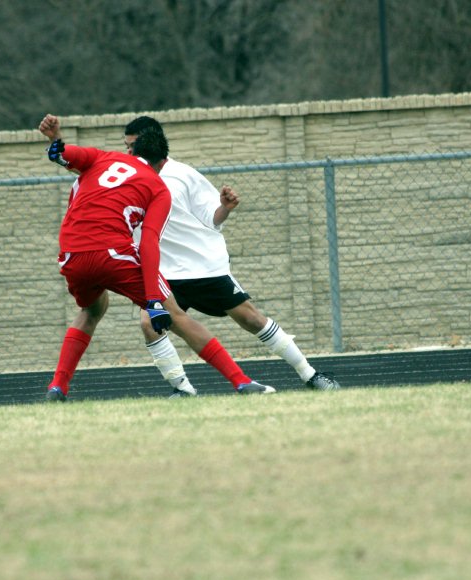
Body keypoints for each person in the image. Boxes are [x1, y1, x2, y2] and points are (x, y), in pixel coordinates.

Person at [37, 115, 275, 401]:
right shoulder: (158, 186)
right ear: (163, 162)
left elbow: (60, 154)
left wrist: (54, 138)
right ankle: (241, 381)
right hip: (112, 252)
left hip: (71, 253)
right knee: (175, 315)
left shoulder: (104, 158)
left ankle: (58, 386)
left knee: (91, 310)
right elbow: (149, 244)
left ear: (132, 151)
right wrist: (152, 299)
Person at [122, 116, 341, 396]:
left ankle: (310, 375)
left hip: (202, 266)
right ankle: (182, 389)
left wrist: (224, 208)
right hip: (162, 272)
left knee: (251, 319)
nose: (127, 153)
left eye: (132, 147)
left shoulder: (182, 175)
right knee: (149, 323)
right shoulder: (125, 178)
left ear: (151, 143)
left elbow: (211, 218)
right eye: (125, 147)